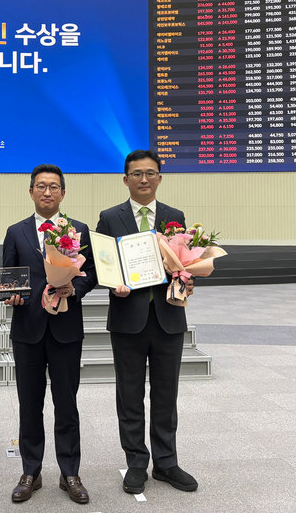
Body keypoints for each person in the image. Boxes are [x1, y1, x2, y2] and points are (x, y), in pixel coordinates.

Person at [95, 149, 198, 495]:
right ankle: (137, 462)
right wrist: (113, 283)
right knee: (130, 394)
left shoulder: (174, 216)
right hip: (128, 318)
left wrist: (187, 279)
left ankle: (166, 462)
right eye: (137, 174)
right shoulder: (110, 217)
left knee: (166, 394)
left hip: (168, 316)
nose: (144, 179)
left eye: (150, 173)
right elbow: (100, 264)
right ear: (125, 179)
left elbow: (184, 262)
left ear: (159, 178)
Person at [2, 164, 98, 505]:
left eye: (53, 186)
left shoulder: (79, 229)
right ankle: (31, 471)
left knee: (66, 404)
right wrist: (11, 295)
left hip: (66, 330)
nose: (47, 192)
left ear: (63, 193)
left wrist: (75, 289)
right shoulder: (16, 232)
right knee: (29, 405)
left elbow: (91, 273)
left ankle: (70, 472)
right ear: (31, 192)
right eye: (41, 186)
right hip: (27, 329)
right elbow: (8, 276)